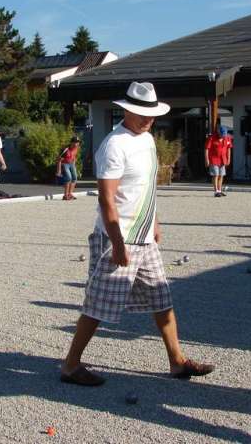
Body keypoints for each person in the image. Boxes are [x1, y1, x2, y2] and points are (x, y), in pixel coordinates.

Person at [60, 81, 214, 386]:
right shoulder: (114, 145)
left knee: (162, 298)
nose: (147, 119)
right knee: (98, 305)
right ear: (126, 110)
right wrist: (117, 244)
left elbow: (147, 187)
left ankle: (177, 361)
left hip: (144, 236)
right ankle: (70, 365)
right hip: (118, 239)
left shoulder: (147, 140)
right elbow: (107, 197)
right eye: (141, 113)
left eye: (151, 114)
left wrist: (154, 221)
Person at [204, 125, 232, 197]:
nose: (223, 136)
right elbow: (207, 149)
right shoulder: (211, 138)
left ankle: (220, 190)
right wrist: (207, 159)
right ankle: (216, 191)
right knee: (215, 175)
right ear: (218, 132)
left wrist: (228, 158)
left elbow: (229, 149)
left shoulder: (227, 138)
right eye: (222, 134)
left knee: (221, 175)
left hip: (223, 159)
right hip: (213, 159)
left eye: (224, 134)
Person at [56, 136, 81, 200]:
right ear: (71, 143)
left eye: (78, 142)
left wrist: (74, 166)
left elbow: (74, 157)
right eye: (75, 142)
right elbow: (59, 159)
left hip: (71, 164)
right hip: (65, 164)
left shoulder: (77, 148)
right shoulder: (66, 149)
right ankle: (65, 195)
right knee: (69, 178)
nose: (77, 144)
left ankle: (70, 194)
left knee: (74, 178)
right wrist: (59, 171)